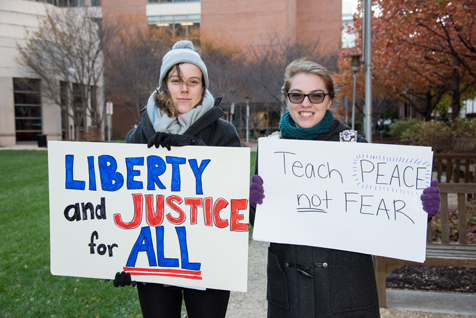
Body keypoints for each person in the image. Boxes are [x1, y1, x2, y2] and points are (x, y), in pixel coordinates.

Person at [249, 58, 441, 317]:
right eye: (297, 95)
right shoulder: (272, 150)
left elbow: (385, 217)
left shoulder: (356, 148)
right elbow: (260, 222)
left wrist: (420, 211)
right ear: (286, 99)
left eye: (316, 96)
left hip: (345, 287)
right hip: (290, 285)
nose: (306, 104)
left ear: (329, 100)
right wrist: (252, 205)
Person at [114, 40, 241, 318]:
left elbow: (234, 198)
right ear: (164, 85)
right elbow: (124, 203)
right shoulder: (139, 134)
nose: (184, 88)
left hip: (208, 260)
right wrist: (120, 261)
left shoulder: (224, 133)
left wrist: (197, 151)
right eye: (176, 80)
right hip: (154, 262)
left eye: (193, 81)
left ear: (203, 87)